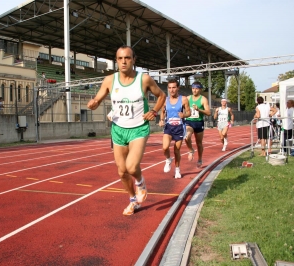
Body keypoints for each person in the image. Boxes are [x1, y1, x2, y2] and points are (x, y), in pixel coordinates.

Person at [87, 45, 166, 216]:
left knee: (131, 166)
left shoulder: (143, 79)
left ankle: (140, 182)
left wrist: (154, 111)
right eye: (120, 58)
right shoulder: (109, 80)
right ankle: (132, 200)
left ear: (133, 60)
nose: (124, 61)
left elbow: (161, 96)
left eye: (127, 58)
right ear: (116, 61)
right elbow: (98, 99)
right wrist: (93, 104)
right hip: (118, 129)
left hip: (138, 128)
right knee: (122, 171)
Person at [159, 79, 191, 178]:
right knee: (165, 147)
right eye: (169, 88)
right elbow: (163, 112)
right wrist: (161, 120)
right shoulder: (165, 100)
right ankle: (168, 159)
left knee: (176, 150)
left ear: (178, 88)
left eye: (173, 87)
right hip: (169, 127)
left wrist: (184, 115)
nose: (171, 90)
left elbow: (189, 112)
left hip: (179, 127)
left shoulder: (184, 99)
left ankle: (177, 170)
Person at [184, 81, 210, 168]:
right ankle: (191, 150)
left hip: (199, 122)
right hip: (189, 121)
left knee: (199, 143)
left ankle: (200, 158)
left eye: (196, 88)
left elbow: (208, 112)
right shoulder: (187, 98)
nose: (194, 90)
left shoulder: (203, 99)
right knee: (186, 137)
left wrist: (199, 110)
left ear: (200, 89)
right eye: (193, 88)